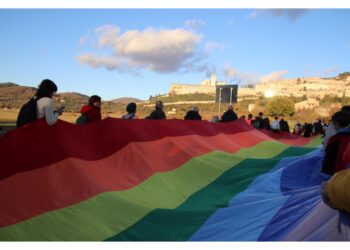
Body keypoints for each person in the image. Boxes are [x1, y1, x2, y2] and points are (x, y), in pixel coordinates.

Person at [321, 111, 350, 175]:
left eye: (333, 124)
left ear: (336, 124)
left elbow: (329, 158)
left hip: (338, 173)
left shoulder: (335, 139)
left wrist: (324, 171)